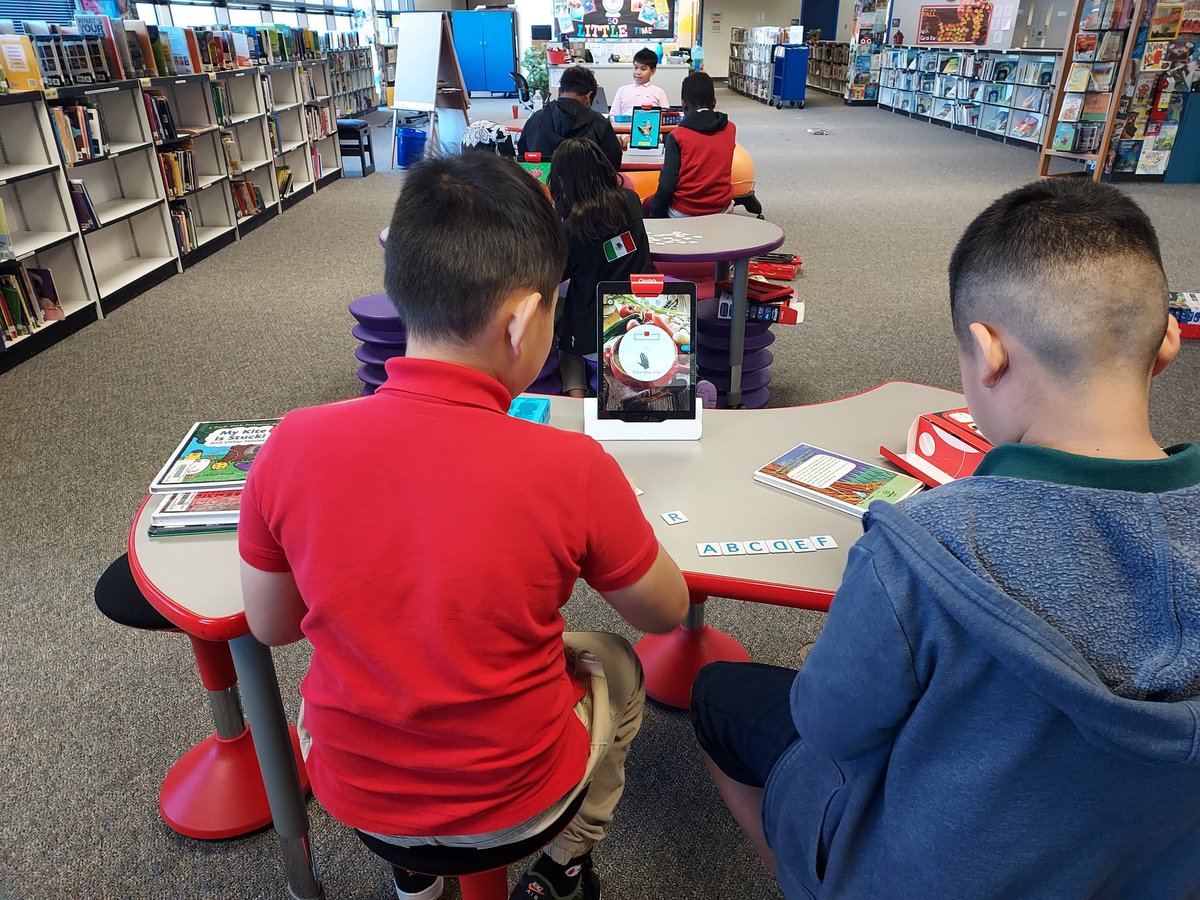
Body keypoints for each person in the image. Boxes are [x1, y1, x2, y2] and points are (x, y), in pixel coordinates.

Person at [690, 179, 1199, 897]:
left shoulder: (919, 548)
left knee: (719, 693)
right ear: (1167, 342)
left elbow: (829, 727)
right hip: (1146, 866)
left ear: (988, 352)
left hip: (926, 872)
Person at [239, 153, 690, 900]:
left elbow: (272, 625)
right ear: (522, 321)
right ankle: (566, 861)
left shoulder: (291, 442)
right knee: (618, 662)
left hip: (359, 799)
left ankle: (414, 877)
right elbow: (667, 611)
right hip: (518, 808)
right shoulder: (572, 466)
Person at [549, 138, 657, 398]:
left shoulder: (570, 228)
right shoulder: (631, 201)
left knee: (564, 337)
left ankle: (576, 399)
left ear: (563, 181)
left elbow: (554, 275)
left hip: (595, 335)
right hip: (643, 317)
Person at [649, 71, 736, 219]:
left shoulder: (677, 136)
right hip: (721, 208)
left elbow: (666, 186)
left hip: (685, 211)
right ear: (714, 102)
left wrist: (656, 217)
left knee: (646, 204)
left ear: (684, 104)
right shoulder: (731, 128)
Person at [517, 65, 623, 171]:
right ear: (588, 97)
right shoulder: (600, 123)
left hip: (542, 180)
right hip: (588, 181)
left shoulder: (535, 119)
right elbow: (614, 163)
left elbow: (523, 157)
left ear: (559, 92)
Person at [608, 47, 670, 118]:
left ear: (653, 71)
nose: (638, 72)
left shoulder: (658, 92)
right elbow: (613, 116)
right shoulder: (622, 90)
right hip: (624, 124)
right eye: (635, 67)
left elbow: (666, 117)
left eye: (643, 69)